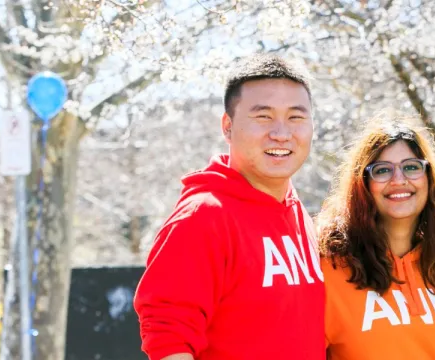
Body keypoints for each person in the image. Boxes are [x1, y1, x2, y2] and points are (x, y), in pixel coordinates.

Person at [134, 54, 324, 360]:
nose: (281, 132)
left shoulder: (294, 208)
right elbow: (168, 337)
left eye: (296, 117)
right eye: (263, 116)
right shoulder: (202, 217)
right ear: (228, 126)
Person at [317, 115, 435, 359]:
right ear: (363, 183)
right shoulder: (329, 267)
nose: (399, 180)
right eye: (382, 170)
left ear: (429, 178)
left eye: (411, 167)